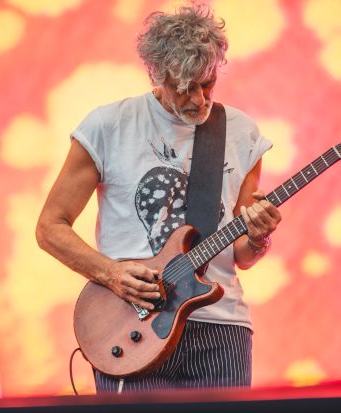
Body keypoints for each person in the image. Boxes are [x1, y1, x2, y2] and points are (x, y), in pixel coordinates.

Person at [36, 5, 281, 393]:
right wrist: (110, 273)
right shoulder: (108, 126)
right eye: (183, 88)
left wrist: (258, 236)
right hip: (132, 326)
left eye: (207, 84)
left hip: (221, 328)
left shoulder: (241, 133)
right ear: (154, 73)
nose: (198, 100)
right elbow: (50, 227)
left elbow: (244, 257)